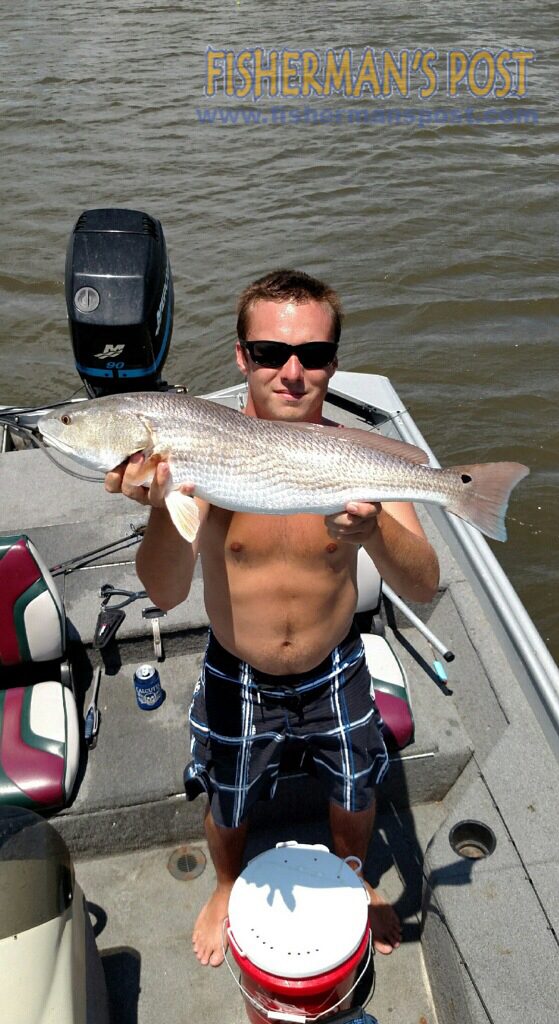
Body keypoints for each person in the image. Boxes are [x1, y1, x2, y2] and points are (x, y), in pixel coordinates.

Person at [105, 269, 439, 968]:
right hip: (239, 667)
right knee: (227, 799)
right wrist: (165, 501)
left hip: (334, 662)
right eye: (269, 353)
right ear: (241, 356)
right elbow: (164, 594)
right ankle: (226, 885)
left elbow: (425, 584)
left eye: (313, 355)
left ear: (334, 363)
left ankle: (357, 878)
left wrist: (374, 531)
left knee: (355, 790)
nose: (292, 372)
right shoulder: (202, 452)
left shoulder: (364, 453)